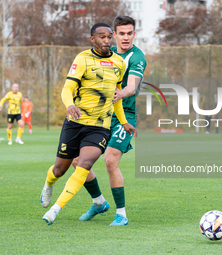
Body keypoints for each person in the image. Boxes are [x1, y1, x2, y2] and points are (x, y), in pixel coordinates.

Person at [40, 22, 137, 226]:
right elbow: (67, 88)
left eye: (109, 37)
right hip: (75, 123)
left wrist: (124, 122)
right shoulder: (82, 59)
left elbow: (115, 97)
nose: (106, 41)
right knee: (59, 169)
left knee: (84, 164)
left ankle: (55, 210)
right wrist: (69, 106)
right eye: (101, 37)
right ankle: (49, 184)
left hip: (100, 127)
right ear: (92, 39)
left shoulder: (119, 63)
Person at [73, 16, 147, 226]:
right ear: (114, 35)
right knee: (77, 161)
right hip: (100, 115)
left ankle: (121, 214)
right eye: (121, 33)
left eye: (129, 33)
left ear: (134, 34)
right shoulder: (106, 54)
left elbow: (132, 86)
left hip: (125, 115)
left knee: (110, 160)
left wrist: (119, 94)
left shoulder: (137, 57)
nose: (125, 37)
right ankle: (98, 202)